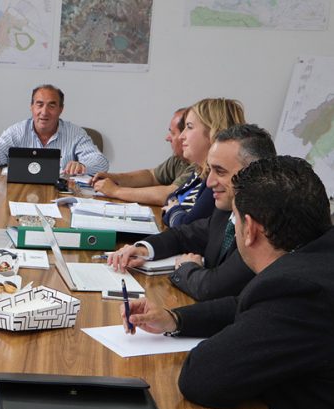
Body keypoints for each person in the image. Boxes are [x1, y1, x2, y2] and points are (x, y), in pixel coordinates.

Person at [122, 156, 334, 409]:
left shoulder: (299, 289)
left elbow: (203, 377)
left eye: (234, 219)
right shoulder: (315, 262)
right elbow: (247, 307)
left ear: (249, 229)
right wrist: (176, 319)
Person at [108, 124, 276, 300]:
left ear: (254, 173)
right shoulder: (225, 211)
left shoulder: (264, 227)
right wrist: (143, 249)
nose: (209, 182)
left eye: (220, 171)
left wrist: (187, 267)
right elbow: (184, 235)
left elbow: (213, 288)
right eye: (210, 169)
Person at [0, 84, 109, 176]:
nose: (44, 112)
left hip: (60, 197)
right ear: (31, 107)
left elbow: (101, 163)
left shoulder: (75, 133)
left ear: (61, 109)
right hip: (21, 193)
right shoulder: (17, 131)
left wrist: (82, 166)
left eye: (51, 106)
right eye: (39, 105)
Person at [162, 98, 246, 227]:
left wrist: (173, 210)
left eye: (189, 127)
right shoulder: (199, 171)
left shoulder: (216, 182)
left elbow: (187, 227)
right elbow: (171, 198)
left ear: (214, 132)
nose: (181, 136)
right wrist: (175, 212)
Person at [90, 108, 193, 205]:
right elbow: (151, 176)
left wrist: (116, 191)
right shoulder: (179, 159)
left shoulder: (198, 166)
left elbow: (169, 195)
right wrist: (114, 178)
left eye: (172, 133)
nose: (167, 138)